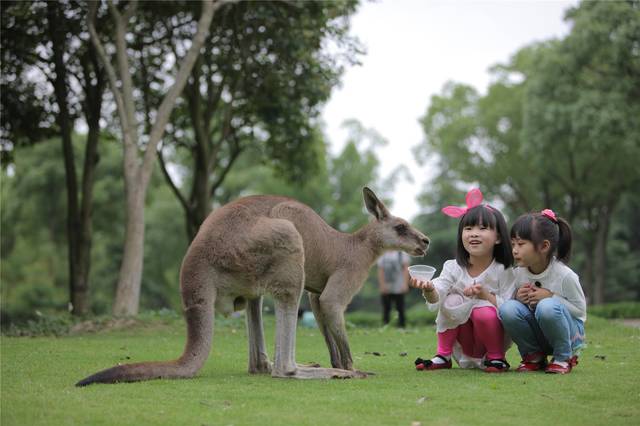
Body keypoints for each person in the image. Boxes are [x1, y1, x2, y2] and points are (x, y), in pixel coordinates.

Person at [410, 188, 515, 373]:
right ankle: (443, 355)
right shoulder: (453, 267)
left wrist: (484, 295)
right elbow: (438, 293)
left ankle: (496, 357)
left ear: (498, 237)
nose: (474, 233)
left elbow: (510, 309)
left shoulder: (503, 270)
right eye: (468, 228)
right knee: (451, 299)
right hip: (465, 341)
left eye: (482, 228)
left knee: (482, 310)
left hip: (488, 338)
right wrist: (428, 289)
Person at [498, 209, 586, 374]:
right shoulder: (518, 273)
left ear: (544, 246)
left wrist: (552, 297)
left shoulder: (565, 275)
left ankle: (563, 357)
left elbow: (580, 311)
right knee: (507, 308)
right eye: (513, 244)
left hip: (569, 336)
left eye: (521, 244)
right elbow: (512, 308)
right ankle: (533, 357)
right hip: (541, 334)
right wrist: (518, 298)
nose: (515, 250)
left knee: (547, 306)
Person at [377, 250, 410, 327]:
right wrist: (382, 285)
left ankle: (402, 326)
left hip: (399, 286)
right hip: (386, 286)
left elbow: (406, 269)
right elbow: (380, 270)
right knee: (386, 308)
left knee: (400, 308)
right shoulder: (383, 253)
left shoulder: (401, 253)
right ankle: (385, 326)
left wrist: (405, 284)